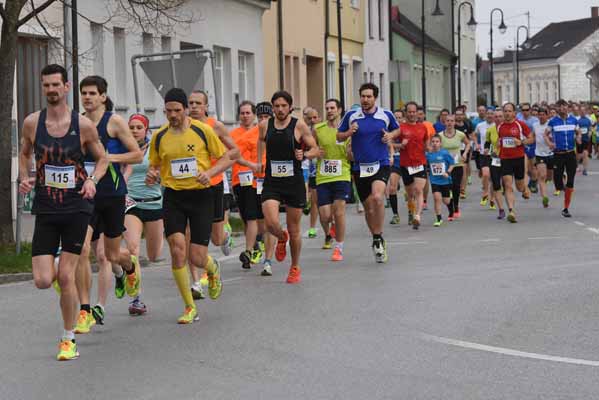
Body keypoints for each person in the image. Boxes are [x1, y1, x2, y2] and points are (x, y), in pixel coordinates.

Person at [18, 64, 108, 360]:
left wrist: (93, 181)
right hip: (45, 206)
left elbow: (103, 159)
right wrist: (25, 176)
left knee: (66, 277)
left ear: (66, 87)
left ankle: (68, 339)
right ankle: (59, 264)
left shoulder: (82, 126)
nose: (51, 90)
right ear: (42, 87)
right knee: (44, 280)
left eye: (56, 85)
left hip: (76, 207)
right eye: (46, 86)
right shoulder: (32, 122)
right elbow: (25, 153)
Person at [146, 88, 234, 324]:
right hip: (173, 196)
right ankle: (189, 306)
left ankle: (212, 267)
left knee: (197, 257)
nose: (172, 115)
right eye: (168, 111)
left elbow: (227, 157)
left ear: (185, 110)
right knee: (176, 248)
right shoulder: (159, 136)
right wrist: (153, 174)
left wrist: (211, 172)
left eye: (177, 110)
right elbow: (154, 164)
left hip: (201, 196)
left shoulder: (203, 131)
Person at [75, 75, 144, 333]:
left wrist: (108, 157)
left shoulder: (114, 121)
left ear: (103, 96)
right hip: (86, 195)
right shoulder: (78, 123)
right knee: (83, 249)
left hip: (112, 195)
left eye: (93, 93)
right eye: (84, 93)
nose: (88, 97)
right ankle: (85, 309)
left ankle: (129, 266)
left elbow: (137, 154)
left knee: (114, 255)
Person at [257, 91, 318, 283]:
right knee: (270, 222)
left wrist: (306, 155)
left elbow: (315, 148)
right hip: (272, 181)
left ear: (290, 107)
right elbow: (260, 141)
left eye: (284, 106)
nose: (280, 109)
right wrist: (259, 161)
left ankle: (295, 267)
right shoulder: (265, 125)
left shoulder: (298, 125)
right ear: (273, 107)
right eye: (277, 106)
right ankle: (280, 238)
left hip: (294, 182)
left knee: (294, 229)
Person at [337, 83, 399, 260]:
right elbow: (338, 136)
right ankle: (376, 236)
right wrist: (349, 132)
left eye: (368, 96)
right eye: (363, 96)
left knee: (378, 197)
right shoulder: (351, 115)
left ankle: (379, 238)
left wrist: (390, 136)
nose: (365, 100)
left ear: (375, 98)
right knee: (368, 207)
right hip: (359, 167)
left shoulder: (385, 114)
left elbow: (397, 129)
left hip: (381, 163)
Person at [187, 90, 239, 294]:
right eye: (190, 103)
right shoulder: (182, 127)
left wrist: (214, 169)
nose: (193, 107)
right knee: (191, 236)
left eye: (198, 103)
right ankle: (196, 281)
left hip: (213, 185)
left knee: (216, 238)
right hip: (188, 187)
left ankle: (225, 235)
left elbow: (234, 152)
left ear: (206, 106)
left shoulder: (215, 126)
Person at [122, 114, 164, 315]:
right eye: (131, 127)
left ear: (146, 130)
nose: (134, 130)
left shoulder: (155, 149)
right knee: (132, 248)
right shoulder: (123, 149)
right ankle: (136, 298)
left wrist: (158, 176)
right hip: (130, 203)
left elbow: (167, 174)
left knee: (154, 255)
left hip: (154, 203)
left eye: (139, 127)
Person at [229, 101, 266, 270]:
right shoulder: (233, 134)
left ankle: (250, 249)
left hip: (257, 179)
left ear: (253, 115)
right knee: (247, 217)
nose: (245, 116)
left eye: (248, 113)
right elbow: (229, 155)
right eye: (242, 113)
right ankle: (256, 243)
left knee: (256, 216)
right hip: (239, 180)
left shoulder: (261, 131)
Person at [315, 98, 350, 261]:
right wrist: (315, 152)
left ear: (339, 110)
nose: (329, 111)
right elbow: (310, 146)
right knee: (325, 216)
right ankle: (330, 229)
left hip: (342, 174)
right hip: (323, 176)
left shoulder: (347, 130)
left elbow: (351, 153)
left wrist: (351, 154)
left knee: (339, 211)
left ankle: (339, 248)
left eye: (332, 108)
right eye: (327, 108)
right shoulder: (318, 129)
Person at [497, 102, 533, 223]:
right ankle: (511, 211)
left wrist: (521, 142)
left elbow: (531, 138)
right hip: (505, 159)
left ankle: (525, 189)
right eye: (505, 111)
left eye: (509, 111)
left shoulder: (520, 124)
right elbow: (498, 141)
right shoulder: (499, 126)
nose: (507, 113)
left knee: (519, 187)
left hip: (518, 158)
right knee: (507, 184)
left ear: (514, 113)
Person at [545, 99, 580, 218]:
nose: (562, 109)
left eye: (564, 106)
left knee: (571, 181)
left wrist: (578, 137)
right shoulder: (553, 122)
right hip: (558, 154)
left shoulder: (573, 120)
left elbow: (578, 131)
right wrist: (549, 143)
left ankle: (566, 208)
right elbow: (545, 134)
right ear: (557, 109)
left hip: (570, 154)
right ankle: (563, 187)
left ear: (567, 107)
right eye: (560, 107)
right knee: (558, 183)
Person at [396, 102, 428, 230]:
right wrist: (400, 145)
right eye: (409, 112)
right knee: (410, 194)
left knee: (418, 190)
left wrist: (431, 149)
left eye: (414, 112)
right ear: (406, 113)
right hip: (405, 164)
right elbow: (389, 143)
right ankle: (412, 211)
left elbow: (426, 144)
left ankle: (417, 216)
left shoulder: (423, 127)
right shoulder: (401, 128)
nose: (412, 114)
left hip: (420, 163)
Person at [439, 114, 470, 220]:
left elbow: (468, 143)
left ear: (454, 122)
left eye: (452, 121)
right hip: (445, 166)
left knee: (456, 187)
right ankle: (450, 208)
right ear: (444, 122)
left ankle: (455, 207)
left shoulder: (460, 134)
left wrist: (465, 153)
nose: (449, 123)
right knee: (446, 188)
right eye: (447, 121)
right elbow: (434, 146)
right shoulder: (440, 135)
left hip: (457, 164)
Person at [426, 135, 455, 226]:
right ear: (431, 143)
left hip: (445, 180)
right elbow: (426, 165)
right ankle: (439, 218)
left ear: (440, 143)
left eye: (437, 141)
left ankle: (451, 208)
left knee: (446, 201)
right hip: (434, 180)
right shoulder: (428, 154)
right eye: (433, 142)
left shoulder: (444, 153)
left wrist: (448, 172)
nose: (435, 143)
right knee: (436, 198)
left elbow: (452, 164)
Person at [484, 109, 506, 219]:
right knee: (496, 183)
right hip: (495, 159)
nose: (498, 118)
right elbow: (487, 142)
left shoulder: (509, 128)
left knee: (507, 184)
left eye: (500, 116)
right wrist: (486, 149)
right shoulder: (490, 130)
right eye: (496, 116)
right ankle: (501, 209)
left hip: (508, 158)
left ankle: (510, 207)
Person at [302, 106, 321, 238]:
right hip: (305, 165)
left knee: (319, 200)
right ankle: (312, 226)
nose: (313, 120)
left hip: (321, 167)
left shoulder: (323, 129)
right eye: (310, 118)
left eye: (315, 117)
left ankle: (316, 226)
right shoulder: (302, 130)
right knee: (310, 196)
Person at [532, 108, 553, 208]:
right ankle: (545, 198)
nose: (541, 116)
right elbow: (532, 137)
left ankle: (562, 177)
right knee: (542, 176)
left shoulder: (551, 124)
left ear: (547, 115)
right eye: (539, 115)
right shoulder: (535, 125)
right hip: (539, 154)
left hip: (551, 153)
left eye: (543, 114)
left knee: (549, 177)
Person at [474, 107, 495, 208]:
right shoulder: (480, 125)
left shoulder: (497, 126)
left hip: (496, 155)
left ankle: (492, 199)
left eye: (492, 114)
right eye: (488, 114)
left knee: (494, 178)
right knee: (486, 175)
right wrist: (476, 144)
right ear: (485, 115)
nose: (490, 115)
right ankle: (485, 192)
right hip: (484, 154)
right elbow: (474, 135)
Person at [517, 103, 540, 194]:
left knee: (532, 168)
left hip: (532, 145)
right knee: (525, 168)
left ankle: (533, 182)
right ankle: (526, 187)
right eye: (523, 110)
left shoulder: (535, 120)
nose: (525, 112)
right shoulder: (518, 119)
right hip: (522, 145)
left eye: (527, 110)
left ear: (530, 110)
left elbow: (536, 134)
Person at [454, 108, 474, 197]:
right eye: (457, 114)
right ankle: (454, 188)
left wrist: (473, 145)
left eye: (460, 114)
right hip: (454, 150)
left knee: (464, 169)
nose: (459, 116)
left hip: (465, 149)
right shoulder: (452, 125)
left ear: (463, 116)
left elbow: (471, 136)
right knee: (454, 169)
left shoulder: (467, 124)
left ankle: (462, 190)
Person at [576, 104, 593, 175]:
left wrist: (590, 133)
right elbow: (575, 130)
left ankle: (585, 169)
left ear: (585, 111)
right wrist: (577, 138)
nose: (582, 112)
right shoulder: (577, 120)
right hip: (579, 140)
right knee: (579, 155)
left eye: (584, 111)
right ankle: (576, 166)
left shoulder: (588, 120)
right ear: (579, 112)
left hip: (586, 139)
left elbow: (590, 128)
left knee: (585, 153)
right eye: (581, 111)